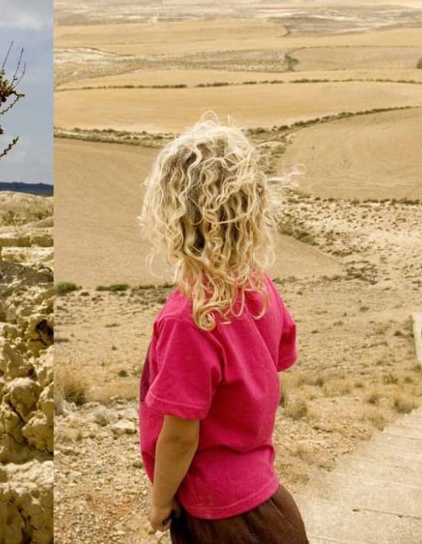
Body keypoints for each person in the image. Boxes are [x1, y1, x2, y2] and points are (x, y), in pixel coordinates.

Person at [137, 118, 308, 543]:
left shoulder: (188, 317)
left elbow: (179, 435)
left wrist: (161, 500)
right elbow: (276, 361)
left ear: (172, 214)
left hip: (216, 514)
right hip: (267, 497)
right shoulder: (259, 286)